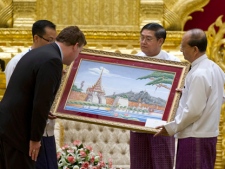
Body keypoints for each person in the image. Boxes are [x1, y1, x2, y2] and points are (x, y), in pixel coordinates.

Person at [0, 25, 86, 169]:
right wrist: (35, 139)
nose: (77, 56)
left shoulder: (40, 52)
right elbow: (41, 102)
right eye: (80, 51)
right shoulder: (53, 60)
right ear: (75, 46)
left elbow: (29, 93)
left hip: (7, 127)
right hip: (18, 133)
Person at [155, 28, 225, 169]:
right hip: (207, 136)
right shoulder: (215, 68)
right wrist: (187, 93)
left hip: (194, 138)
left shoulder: (198, 74)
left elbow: (193, 111)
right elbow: (218, 97)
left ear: (194, 49)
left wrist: (170, 128)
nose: (181, 50)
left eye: (183, 46)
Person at [4, 19, 59, 169]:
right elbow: (16, 99)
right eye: (49, 40)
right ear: (36, 38)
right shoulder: (18, 61)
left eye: (55, 41)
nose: (52, 45)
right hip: (26, 134)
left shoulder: (51, 61)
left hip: (46, 131)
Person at [130, 23, 180, 169]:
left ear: (160, 41)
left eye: (148, 39)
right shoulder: (133, 61)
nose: (143, 42)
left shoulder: (174, 64)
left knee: (162, 165)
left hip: (162, 128)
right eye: (142, 38)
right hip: (136, 125)